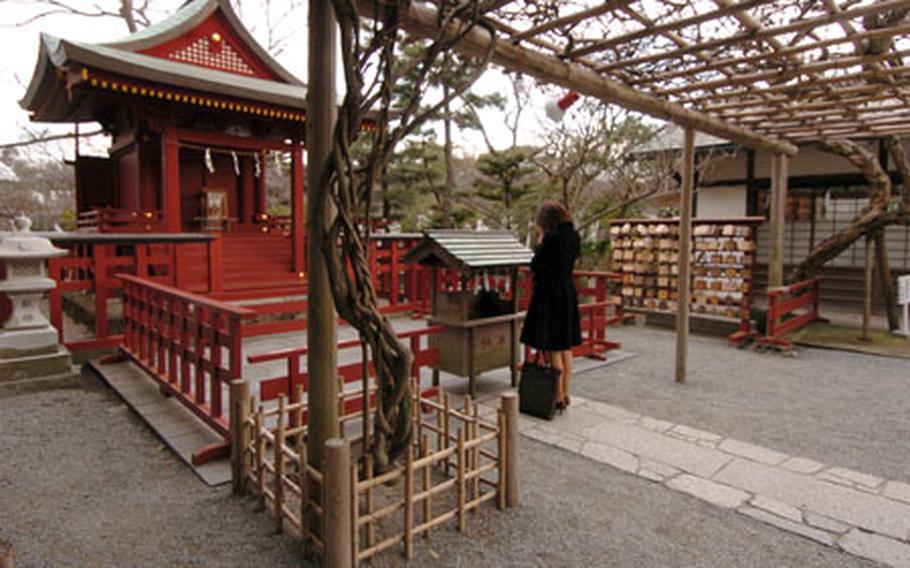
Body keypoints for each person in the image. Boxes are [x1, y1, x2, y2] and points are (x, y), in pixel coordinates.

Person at [520, 201, 582, 411]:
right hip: (566, 291)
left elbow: (537, 265)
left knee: (553, 346)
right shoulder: (573, 237)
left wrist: (541, 242)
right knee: (565, 347)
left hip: (550, 296)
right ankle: (566, 391)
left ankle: (557, 396)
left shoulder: (552, 239)